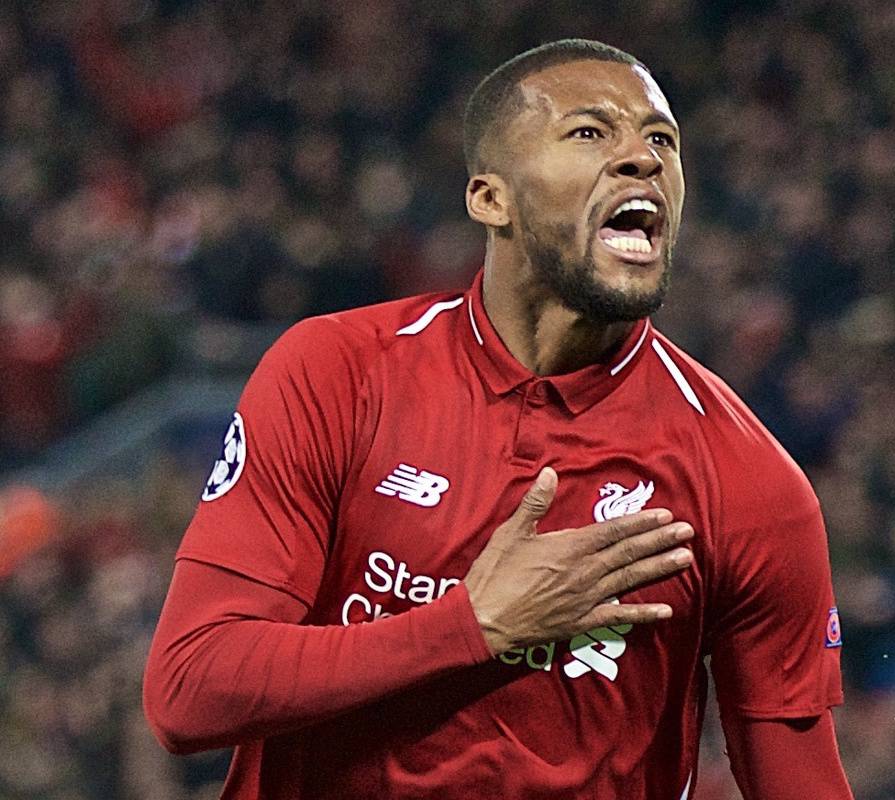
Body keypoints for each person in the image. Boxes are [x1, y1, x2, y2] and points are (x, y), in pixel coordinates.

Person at [143, 38, 854, 799]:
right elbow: (190, 689)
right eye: (590, 132)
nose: (642, 159)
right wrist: (470, 627)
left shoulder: (747, 480)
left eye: (661, 141)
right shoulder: (338, 374)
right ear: (491, 198)